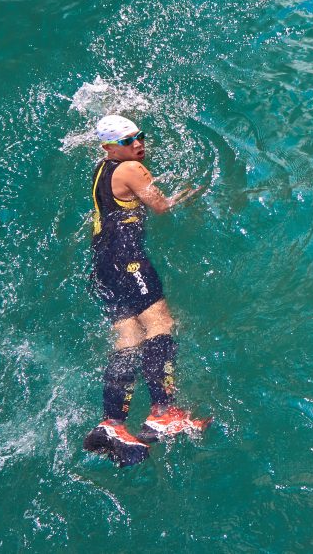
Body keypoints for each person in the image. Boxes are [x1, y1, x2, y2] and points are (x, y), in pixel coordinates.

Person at [82, 114, 210, 467]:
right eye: (127, 141)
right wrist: (191, 195)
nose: (138, 144)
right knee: (159, 323)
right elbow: (161, 206)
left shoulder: (103, 169)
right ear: (109, 147)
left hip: (102, 263)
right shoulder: (132, 171)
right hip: (128, 258)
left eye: (139, 136)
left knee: (128, 337)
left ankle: (112, 424)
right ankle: (162, 412)